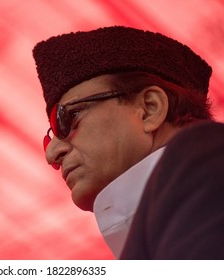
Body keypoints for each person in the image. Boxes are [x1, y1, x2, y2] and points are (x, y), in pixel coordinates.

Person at [32, 26, 224, 259]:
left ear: (149, 109)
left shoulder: (204, 160)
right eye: (50, 136)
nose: (52, 153)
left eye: (68, 117)